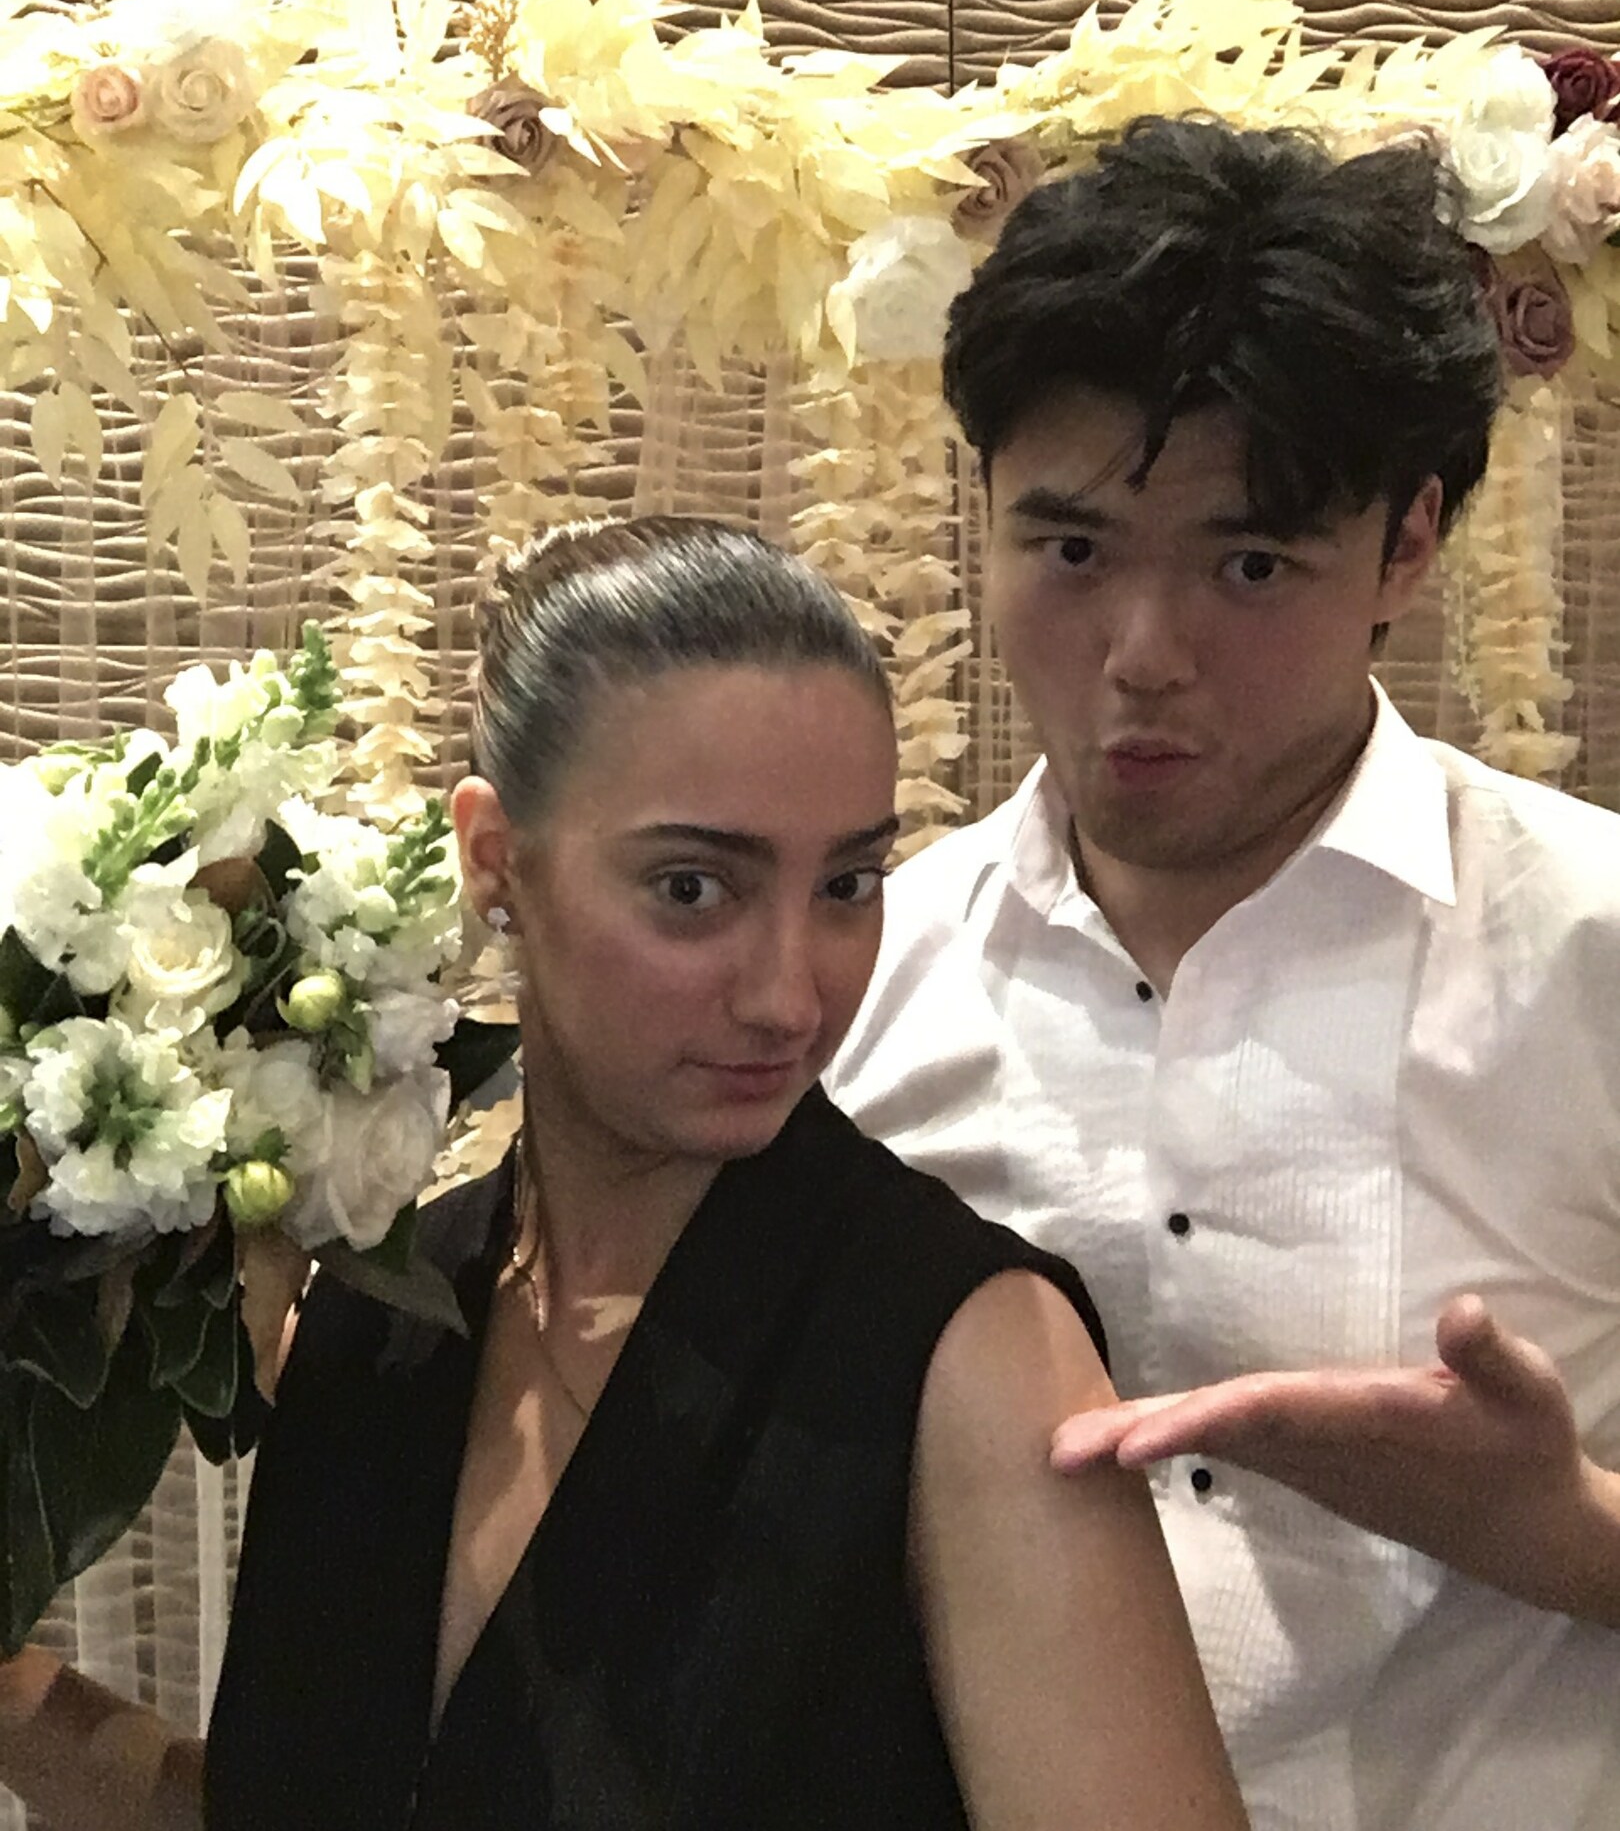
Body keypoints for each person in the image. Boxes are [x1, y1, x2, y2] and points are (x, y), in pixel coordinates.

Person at [0, 516, 1248, 1830]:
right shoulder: (381, 1319)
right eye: (694, 889)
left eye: (846, 883)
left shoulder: (975, 1360)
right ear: (496, 862)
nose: (790, 997)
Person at [828, 116, 1620, 1830]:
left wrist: (1566, 1535)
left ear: (1409, 544)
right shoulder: (856, 983)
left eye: (1251, 565)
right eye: (1071, 552)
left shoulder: (1596, 950)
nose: (1143, 658)